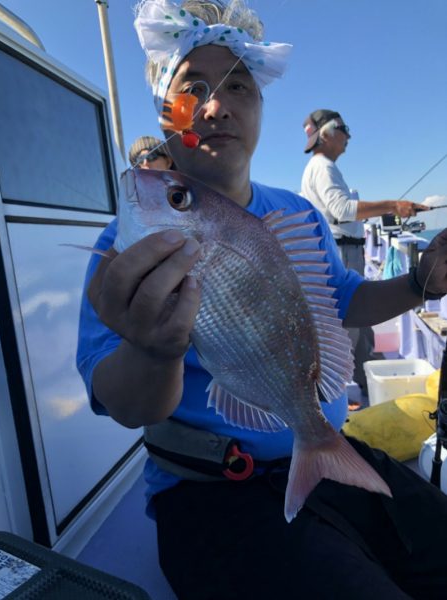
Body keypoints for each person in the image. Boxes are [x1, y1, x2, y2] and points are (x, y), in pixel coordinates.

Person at [76, 1, 447, 598]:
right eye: (192, 86)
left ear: (261, 108)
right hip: (210, 490)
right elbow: (122, 402)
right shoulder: (123, 248)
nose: (217, 104)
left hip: (327, 450)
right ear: (166, 111)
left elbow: (342, 301)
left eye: (238, 85)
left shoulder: (297, 213)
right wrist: (154, 351)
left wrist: (420, 284)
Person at [300, 109, 428, 393]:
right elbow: (343, 210)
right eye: (344, 129)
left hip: (343, 251)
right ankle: (344, 392)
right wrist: (394, 205)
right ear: (327, 134)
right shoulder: (323, 166)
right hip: (342, 253)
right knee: (349, 325)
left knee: (359, 327)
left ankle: (362, 381)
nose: (349, 136)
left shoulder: (320, 167)